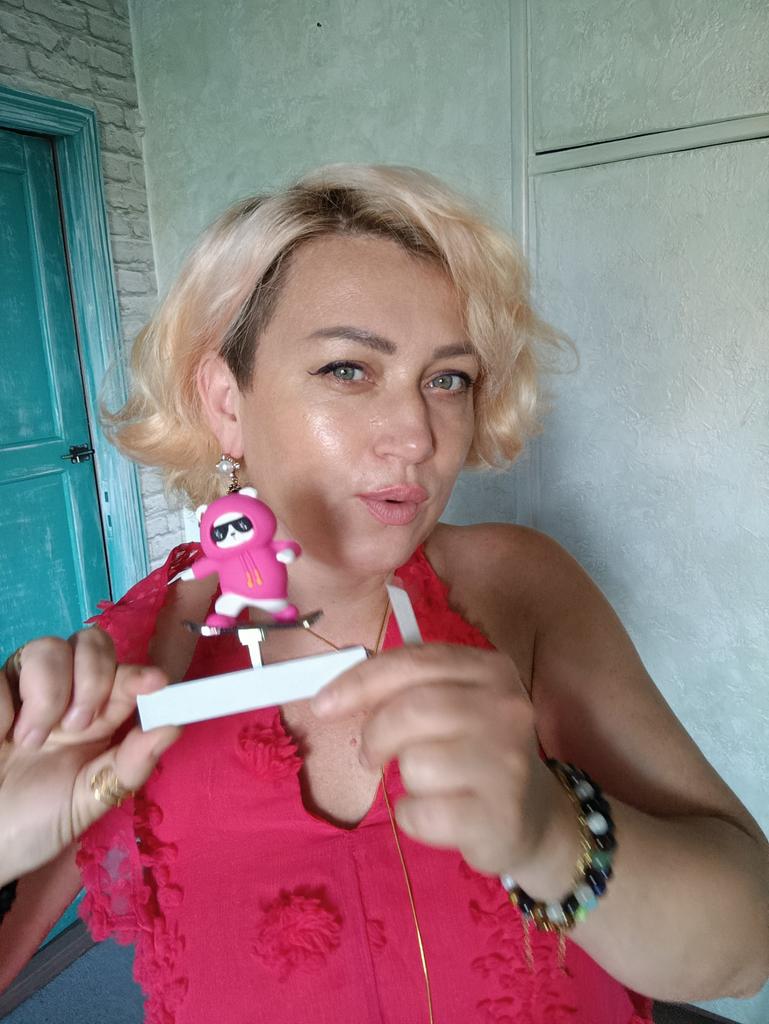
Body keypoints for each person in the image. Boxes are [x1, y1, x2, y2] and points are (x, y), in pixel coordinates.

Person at [1, 164, 767, 1022]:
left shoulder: (515, 589)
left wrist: (551, 832)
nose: (416, 437)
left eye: (448, 379)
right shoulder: (128, 672)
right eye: (347, 369)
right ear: (225, 404)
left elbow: (746, 947)